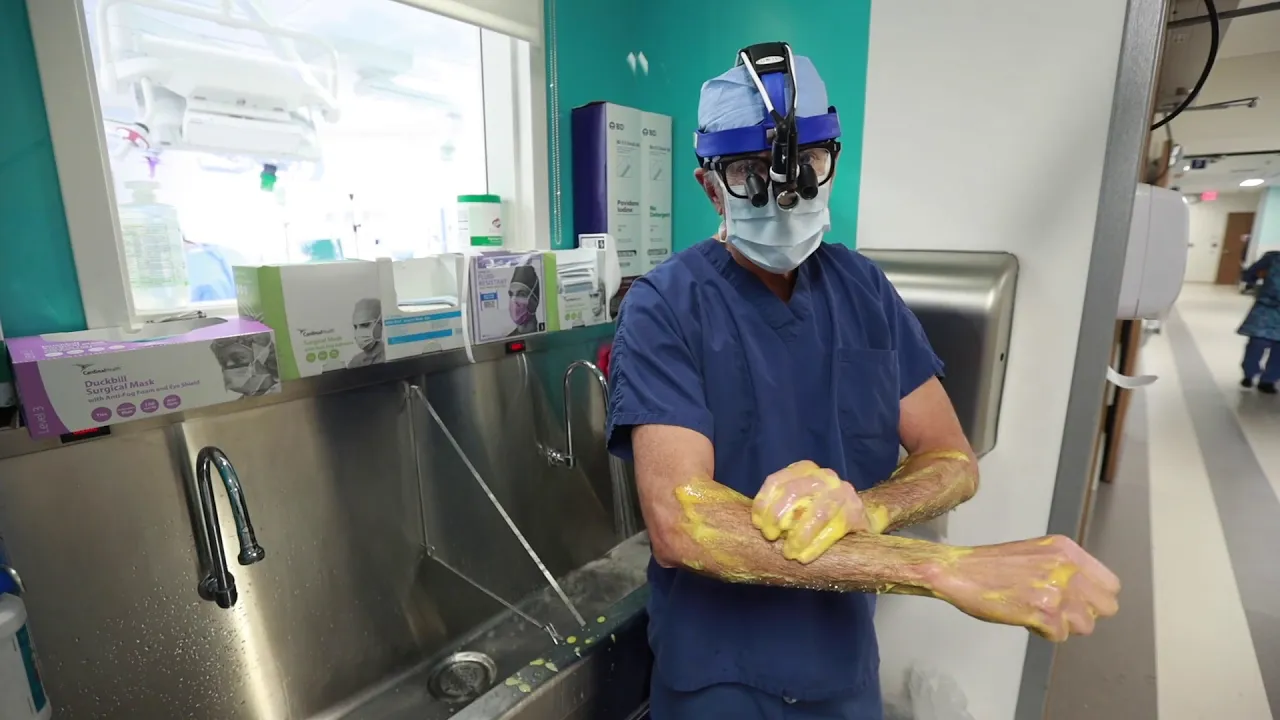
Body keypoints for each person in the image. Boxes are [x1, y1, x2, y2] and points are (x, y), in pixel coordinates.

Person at [605, 43, 1119, 720]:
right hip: (718, 675)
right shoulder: (665, 306)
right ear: (710, 187)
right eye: (749, 172)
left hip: (841, 664)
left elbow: (952, 459)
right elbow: (682, 522)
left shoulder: (864, 289)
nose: (785, 193)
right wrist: (936, 568)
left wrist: (871, 509)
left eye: (807, 165)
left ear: (831, 164)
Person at [1238, 250, 1280, 393]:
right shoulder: (1273, 258)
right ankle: (1249, 373)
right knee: (1257, 345)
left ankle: (1268, 380)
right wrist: (1253, 282)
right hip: (1266, 310)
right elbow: (1250, 273)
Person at [211, 334, 279, 397]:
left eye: (237, 359)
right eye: (223, 362)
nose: (228, 365)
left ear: (264, 358)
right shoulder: (238, 405)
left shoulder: (282, 396)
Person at [347, 298, 386, 368]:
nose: (358, 333)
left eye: (365, 325)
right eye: (355, 327)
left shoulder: (390, 356)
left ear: (381, 323)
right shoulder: (355, 362)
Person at [508, 262, 542, 336]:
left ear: (535, 301)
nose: (514, 300)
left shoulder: (545, 334)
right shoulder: (508, 339)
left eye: (521, 294)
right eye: (511, 294)